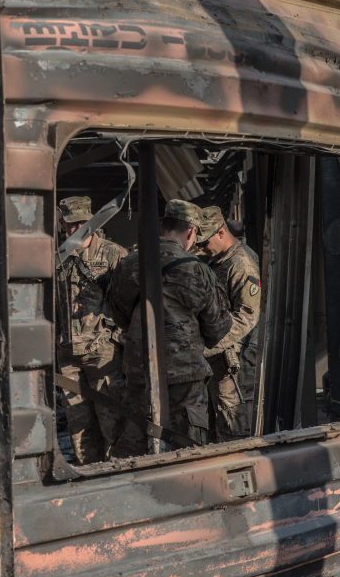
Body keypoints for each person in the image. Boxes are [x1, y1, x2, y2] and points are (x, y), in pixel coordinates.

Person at [107, 199, 232, 454]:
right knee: (186, 446)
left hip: (139, 369)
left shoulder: (128, 264)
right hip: (185, 374)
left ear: (162, 225)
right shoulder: (197, 269)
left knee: (140, 441)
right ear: (192, 231)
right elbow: (218, 328)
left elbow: (118, 315)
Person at [56, 196, 127, 464]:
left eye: (82, 224)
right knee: (78, 425)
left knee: (112, 422)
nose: (76, 230)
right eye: (70, 225)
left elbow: (132, 304)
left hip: (104, 353)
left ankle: (117, 475)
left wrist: (120, 340)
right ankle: (89, 476)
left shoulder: (114, 254)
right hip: (68, 356)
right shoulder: (57, 258)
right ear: (62, 223)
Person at [200, 206, 261, 440]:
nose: (201, 248)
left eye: (204, 242)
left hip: (238, 363)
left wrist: (208, 346)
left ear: (221, 233)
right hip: (221, 360)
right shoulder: (218, 261)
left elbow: (247, 316)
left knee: (234, 431)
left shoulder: (241, 263)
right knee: (217, 430)